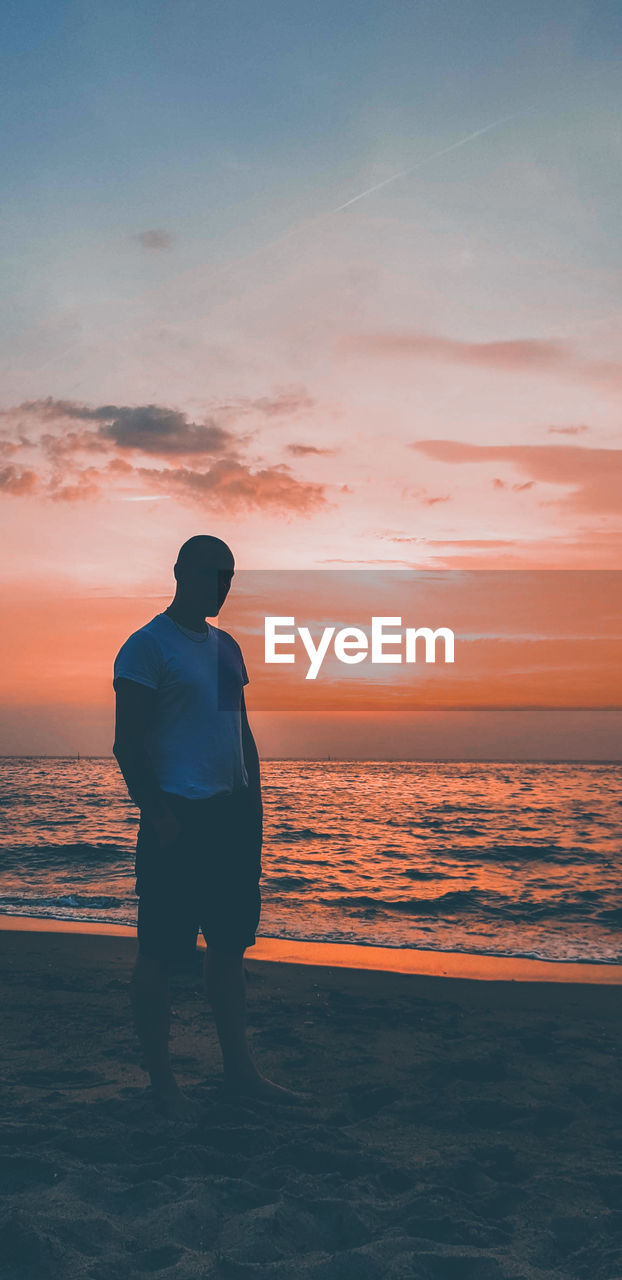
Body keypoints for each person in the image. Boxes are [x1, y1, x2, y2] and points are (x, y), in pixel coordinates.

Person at [113, 534, 297, 1115]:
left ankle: (240, 1072)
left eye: (230, 575)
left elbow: (238, 734)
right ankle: (163, 1086)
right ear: (181, 572)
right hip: (177, 816)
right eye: (213, 573)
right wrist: (158, 814)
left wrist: (255, 808)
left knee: (228, 947)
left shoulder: (226, 650)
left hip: (230, 818)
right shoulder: (146, 648)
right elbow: (127, 744)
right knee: (161, 953)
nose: (222, 585)